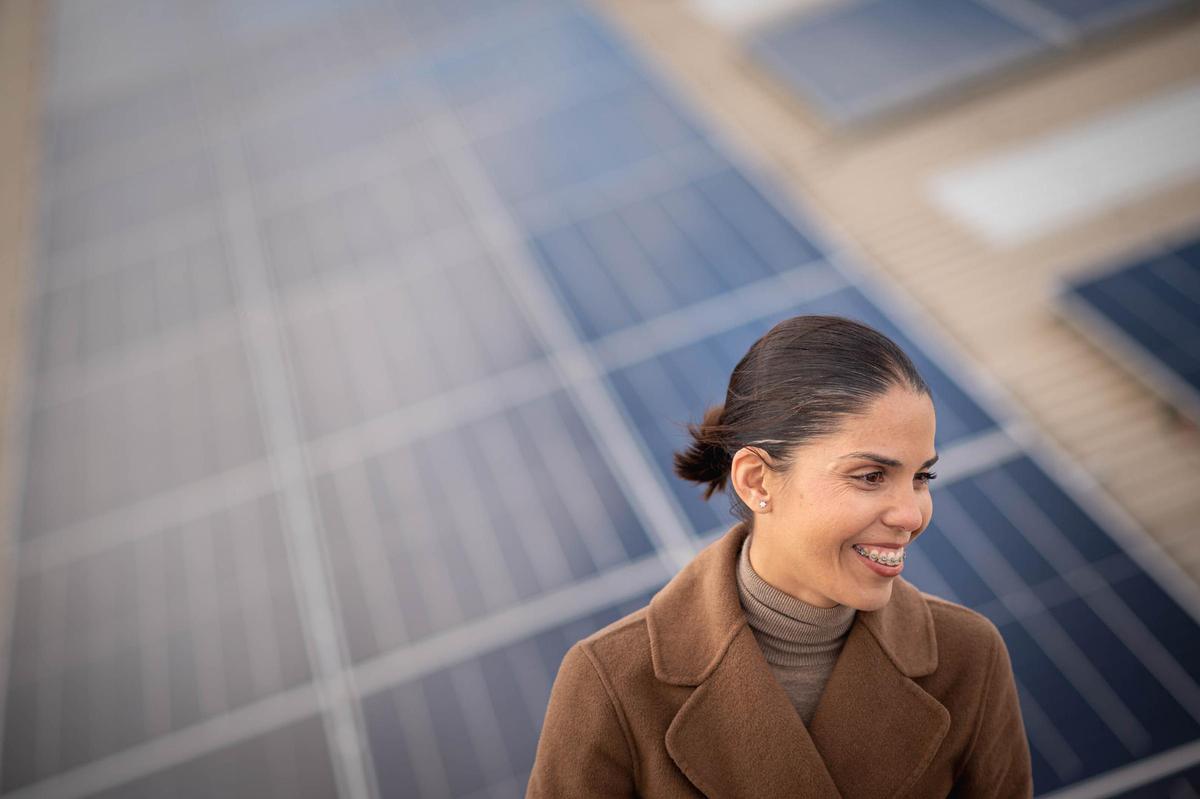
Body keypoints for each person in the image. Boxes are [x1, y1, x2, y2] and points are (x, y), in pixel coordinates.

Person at [525, 315, 1033, 798]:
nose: (911, 514)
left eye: (922, 477)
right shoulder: (612, 682)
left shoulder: (969, 656)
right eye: (871, 476)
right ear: (756, 480)